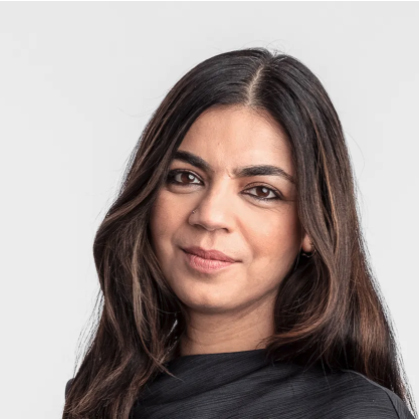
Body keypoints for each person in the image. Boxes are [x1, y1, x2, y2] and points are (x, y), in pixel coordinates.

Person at [62, 48, 417, 419]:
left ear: (313, 225)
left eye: (261, 191)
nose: (210, 215)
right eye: (186, 177)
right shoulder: (100, 396)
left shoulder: (353, 412)